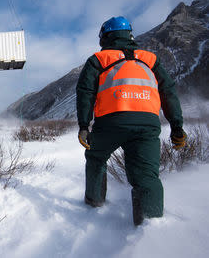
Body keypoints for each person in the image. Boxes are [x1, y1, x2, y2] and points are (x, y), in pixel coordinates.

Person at [76, 16, 187, 226]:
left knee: (96, 158)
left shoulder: (99, 60)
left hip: (110, 123)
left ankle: (94, 203)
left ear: (105, 37)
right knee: (147, 177)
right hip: (147, 125)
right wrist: (177, 126)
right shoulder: (150, 59)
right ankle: (151, 227)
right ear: (130, 35)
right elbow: (168, 92)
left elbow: (85, 93)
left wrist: (84, 125)